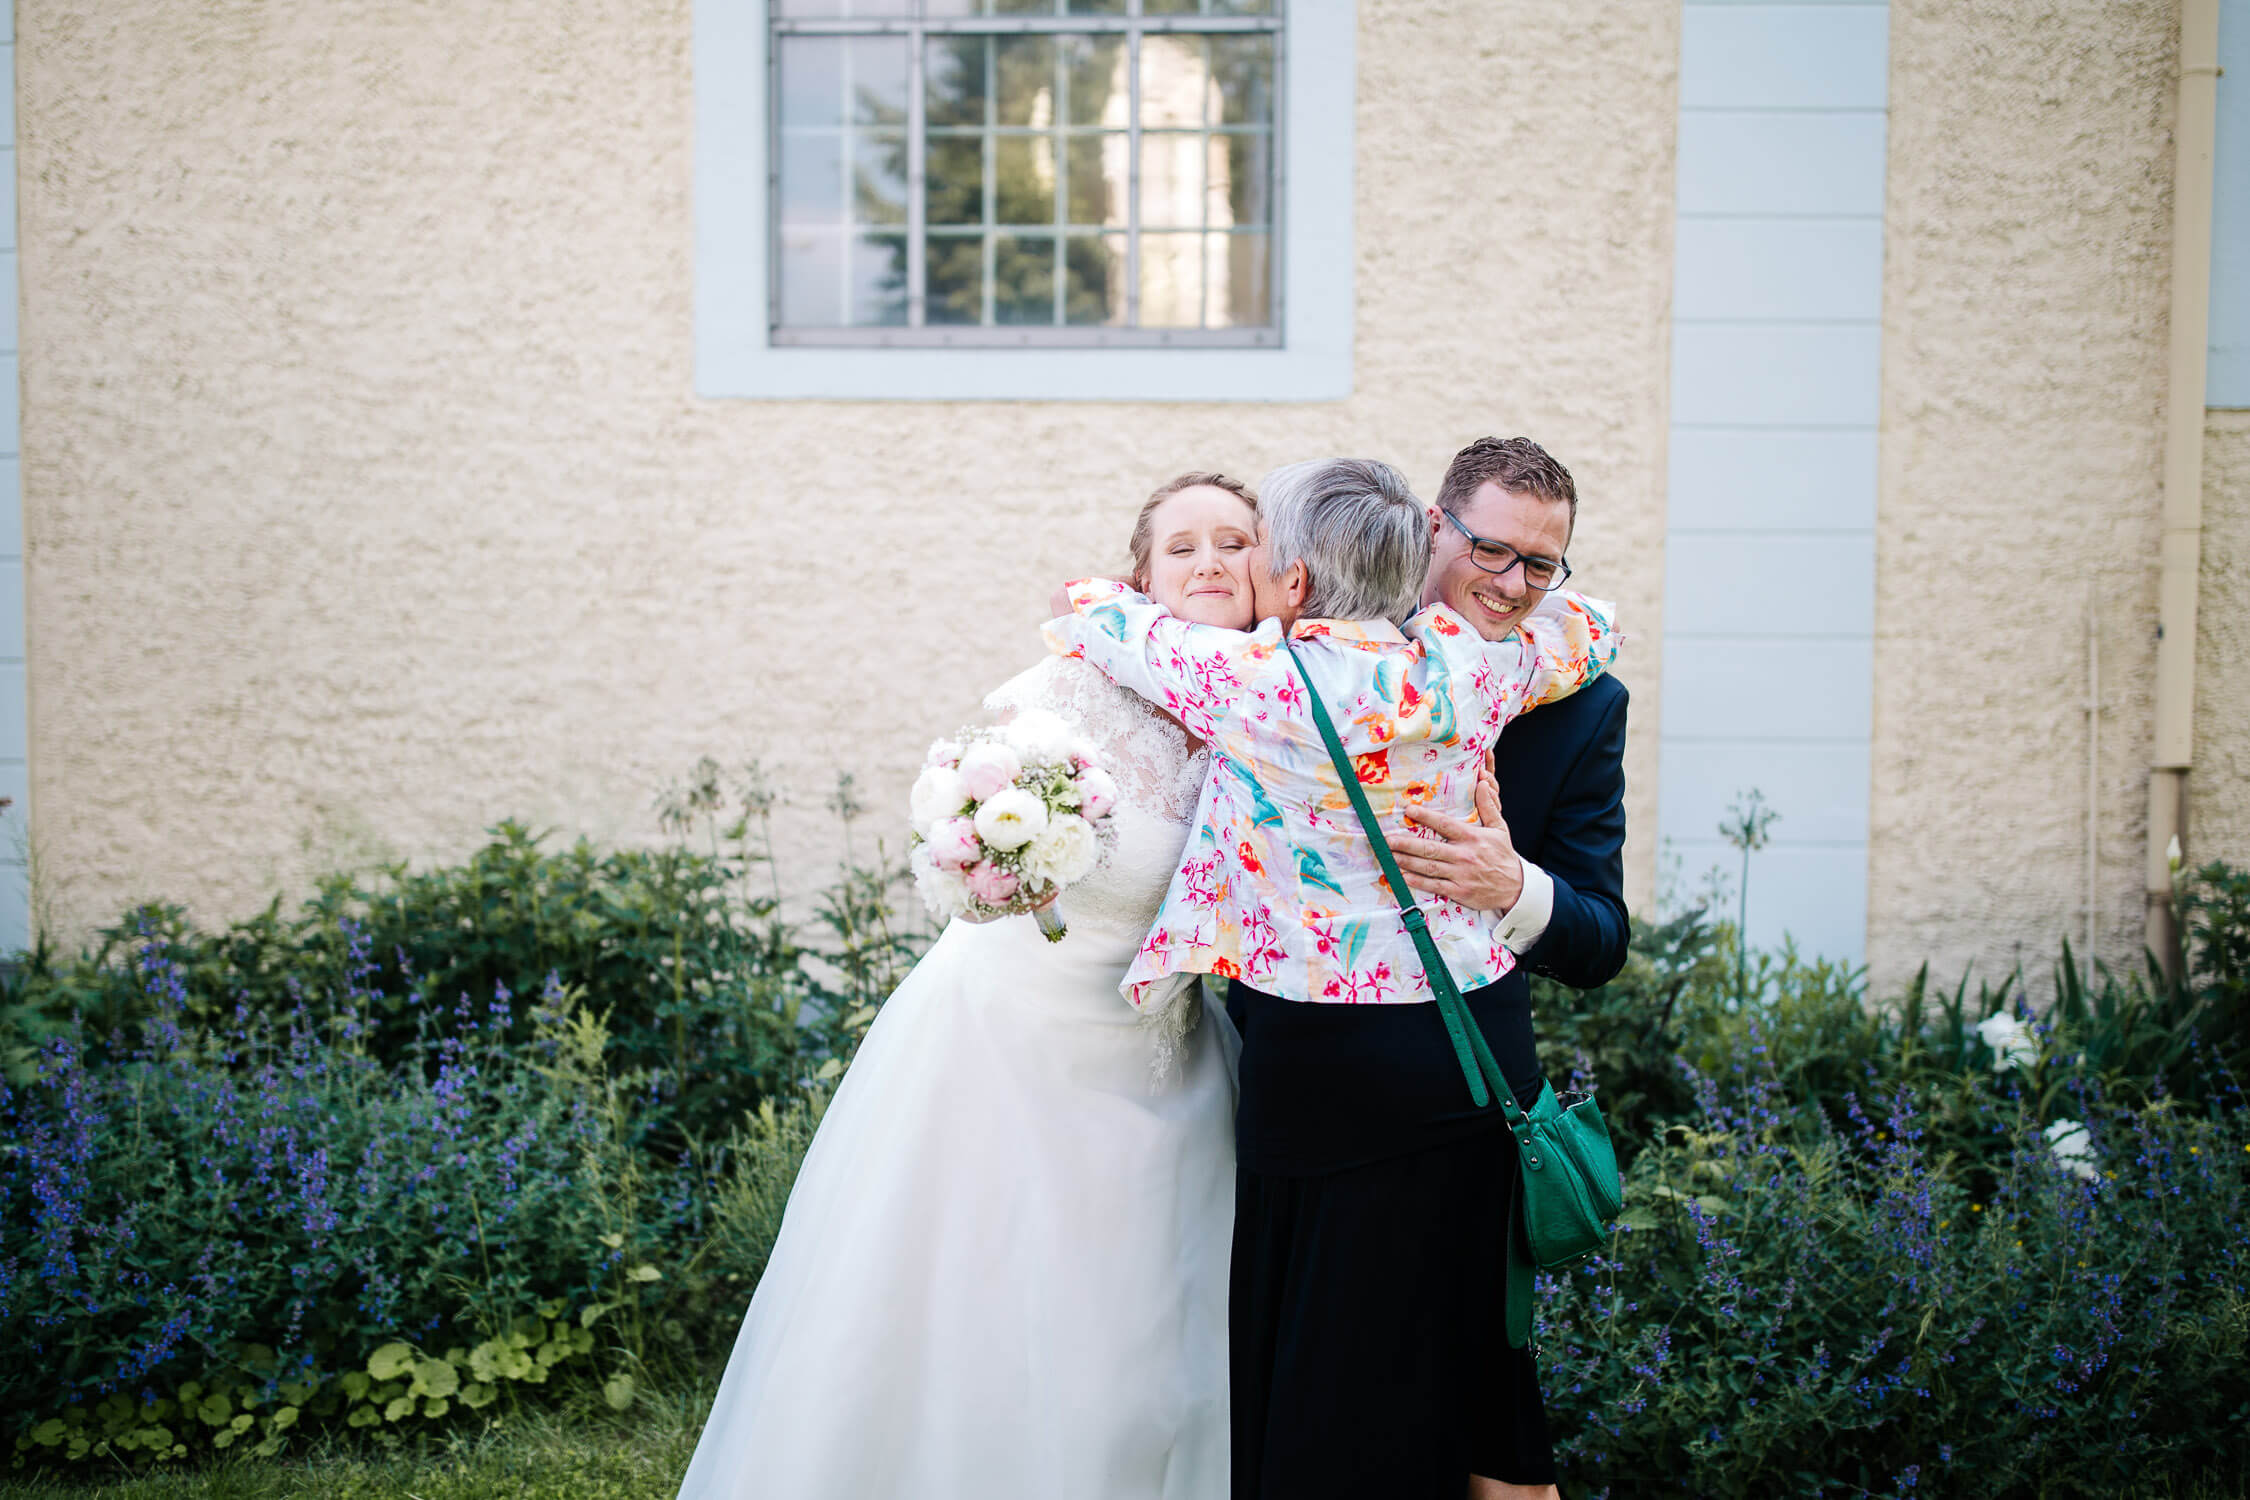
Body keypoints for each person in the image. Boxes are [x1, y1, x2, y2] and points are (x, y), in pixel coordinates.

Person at [673, 473, 1261, 1500]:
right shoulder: (1072, 688)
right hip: (1006, 1050)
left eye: (1234, 541)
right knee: (981, 1306)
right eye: (1183, 546)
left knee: (1146, 1347)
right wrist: (989, 861)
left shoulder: (1276, 707)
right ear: (1143, 574)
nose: (1209, 561)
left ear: (1274, 568)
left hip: (1168, 1063)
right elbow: (964, 808)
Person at [1043, 458, 1619, 1500]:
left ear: (1296, 582)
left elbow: (1091, 615)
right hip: (1451, 1065)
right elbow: (1592, 631)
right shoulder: (1475, 666)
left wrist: (1115, 589)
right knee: (1442, 1365)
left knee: (1314, 1351)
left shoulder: (1249, 683)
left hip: (1314, 1068)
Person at [1386, 436, 1633, 1500]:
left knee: (1494, 1438)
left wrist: (1511, 885)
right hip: (1305, 1085)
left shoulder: (1583, 703)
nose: (1512, 584)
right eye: (1492, 551)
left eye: (1541, 566)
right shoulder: (1330, 655)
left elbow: (1599, 938)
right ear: (1437, 529)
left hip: (1473, 1093)